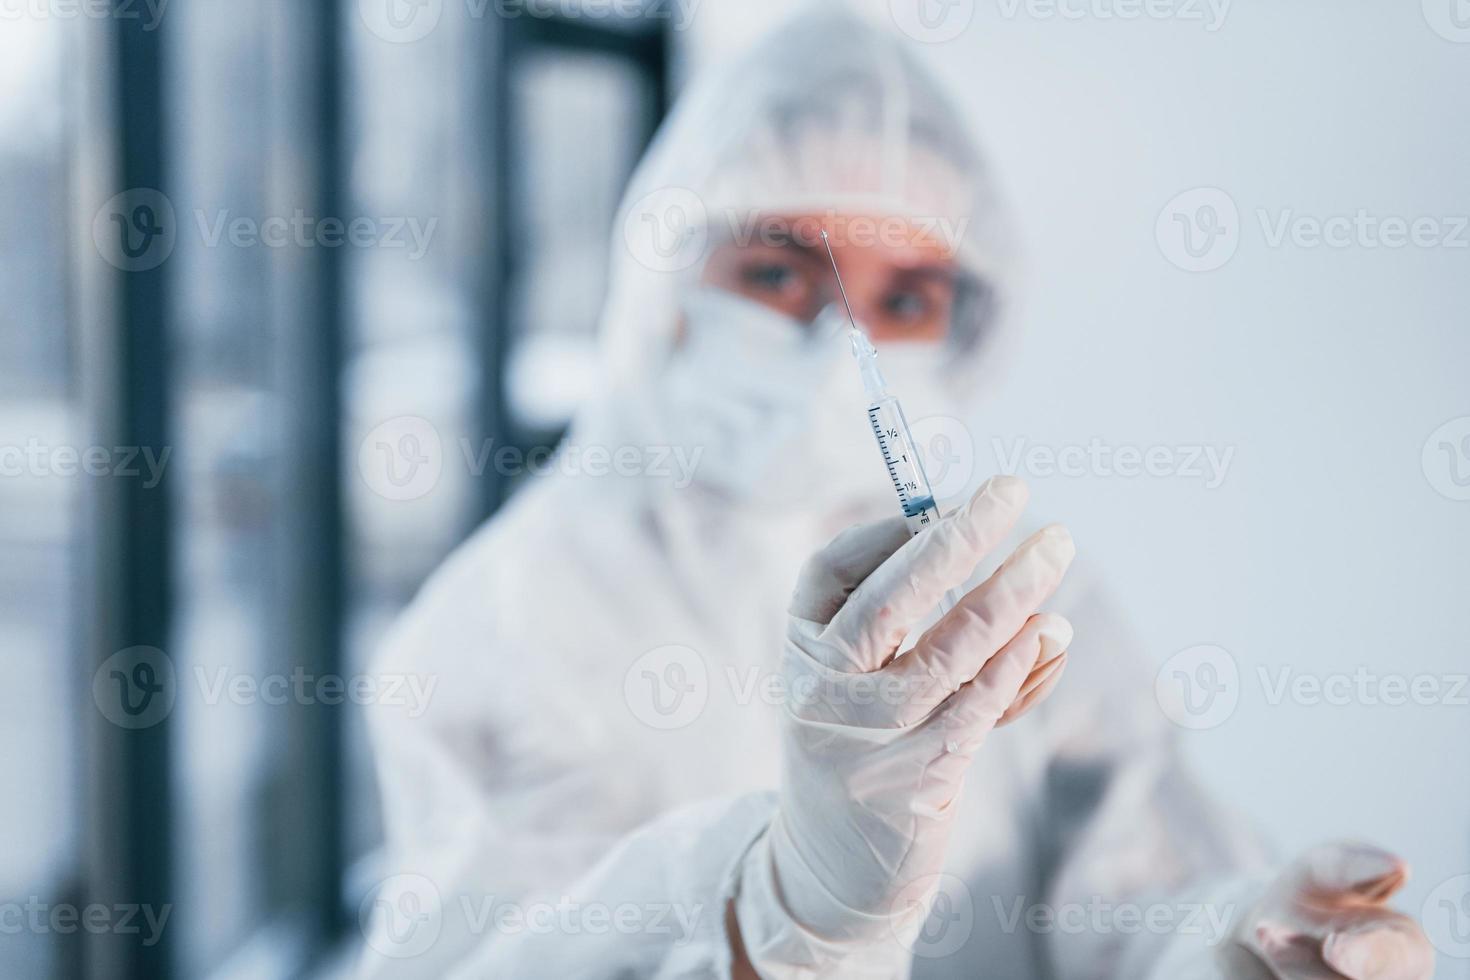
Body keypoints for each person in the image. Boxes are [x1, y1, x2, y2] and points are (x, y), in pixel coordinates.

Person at [359, 6, 1434, 978]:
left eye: (905, 296)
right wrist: (777, 909)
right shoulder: (508, 615)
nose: (844, 348)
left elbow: (1132, 888)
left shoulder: (1000, 598)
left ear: (963, 325)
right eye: (779, 273)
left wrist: (1236, 947)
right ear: (665, 289)